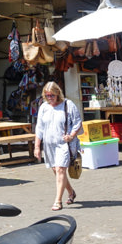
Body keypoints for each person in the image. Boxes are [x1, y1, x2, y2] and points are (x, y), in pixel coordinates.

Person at [34, 81, 82, 211]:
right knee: (56, 171)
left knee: (61, 170)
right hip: (49, 144)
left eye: (52, 95)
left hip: (63, 144)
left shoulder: (68, 105)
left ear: (58, 94)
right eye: (47, 95)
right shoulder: (44, 107)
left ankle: (58, 201)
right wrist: (37, 146)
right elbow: (39, 127)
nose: (50, 98)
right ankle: (71, 192)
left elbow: (78, 122)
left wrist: (71, 135)